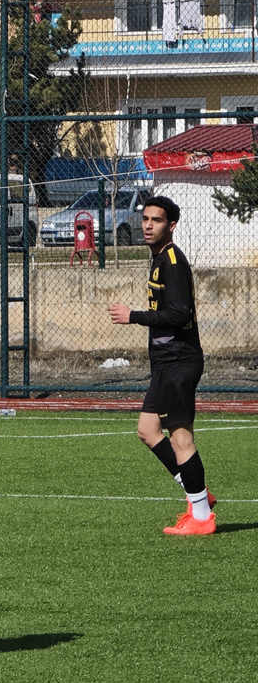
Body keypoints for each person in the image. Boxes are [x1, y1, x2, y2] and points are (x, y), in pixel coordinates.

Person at [108, 196, 215, 535]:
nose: (148, 225)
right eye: (145, 219)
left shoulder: (172, 261)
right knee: (148, 431)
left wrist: (133, 316)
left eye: (156, 220)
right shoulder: (157, 258)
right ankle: (199, 496)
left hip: (179, 361)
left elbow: (179, 314)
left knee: (181, 438)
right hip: (166, 362)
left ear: (171, 225)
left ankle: (201, 518)